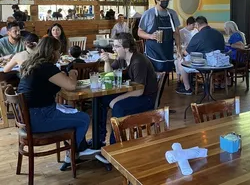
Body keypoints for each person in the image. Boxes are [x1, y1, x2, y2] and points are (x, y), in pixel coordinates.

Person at [17, 37, 98, 167]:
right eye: (59, 51)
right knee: (83, 118)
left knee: (72, 110)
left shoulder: (31, 64)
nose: (60, 54)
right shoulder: (47, 68)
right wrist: (72, 73)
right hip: (40, 118)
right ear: (53, 52)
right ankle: (75, 153)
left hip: (27, 118)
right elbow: (71, 86)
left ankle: (77, 147)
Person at [96, 33, 158, 156]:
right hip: (133, 93)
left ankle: (115, 146)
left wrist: (117, 99)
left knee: (119, 106)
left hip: (146, 99)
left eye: (116, 46)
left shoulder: (138, 61)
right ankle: (99, 139)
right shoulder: (122, 59)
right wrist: (107, 61)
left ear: (126, 48)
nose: (113, 49)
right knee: (100, 99)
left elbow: (140, 91)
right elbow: (109, 76)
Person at [176, 16, 225, 95]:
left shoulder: (198, 36)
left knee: (180, 61)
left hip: (205, 65)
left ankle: (187, 88)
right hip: (220, 64)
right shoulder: (219, 33)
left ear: (197, 24)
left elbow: (187, 52)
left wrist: (181, 50)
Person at [138, 0, 181, 72]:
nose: (166, 1)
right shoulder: (148, 14)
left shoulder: (172, 13)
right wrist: (150, 36)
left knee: (165, 73)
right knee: (153, 75)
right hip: (153, 51)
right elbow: (139, 32)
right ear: (156, 0)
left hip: (167, 50)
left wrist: (179, 48)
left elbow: (176, 33)